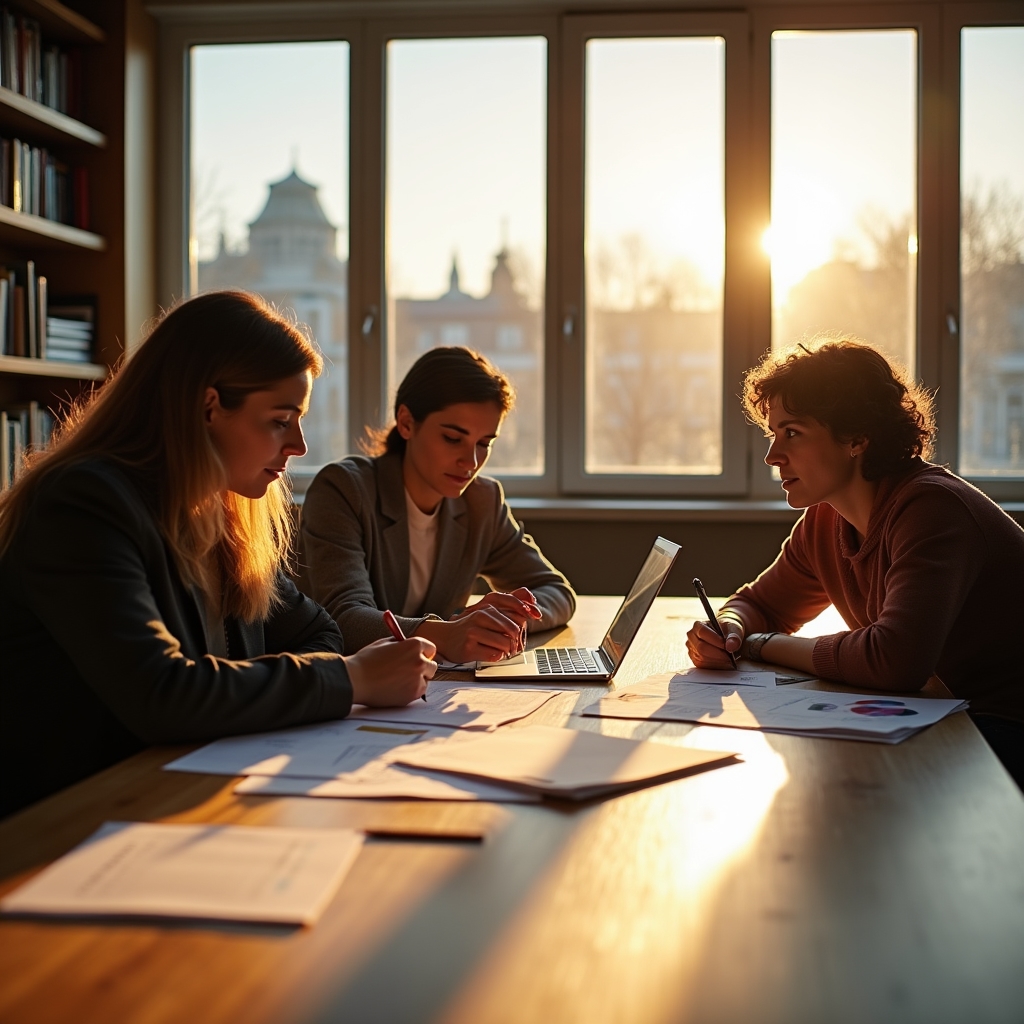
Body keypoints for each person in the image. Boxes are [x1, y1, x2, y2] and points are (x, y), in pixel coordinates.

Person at [0, 291, 435, 819]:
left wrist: (229, 693)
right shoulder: (81, 506)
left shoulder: (219, 510)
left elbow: (318, 632)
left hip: (181, 790)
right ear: (208, 408)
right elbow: (163, 694)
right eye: (280, 420)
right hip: (70, 817)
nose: (298, 445)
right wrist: (354, 678)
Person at [686, 338, 1024, 787]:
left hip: (1004, 723)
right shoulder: (825, 519)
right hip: (943, 711)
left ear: (857, 438)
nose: (772, 456)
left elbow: (894, 660)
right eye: (772, 435)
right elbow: (760, 604)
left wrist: (758, 644)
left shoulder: (932, 509)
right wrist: (727, 627)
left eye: (792, 433)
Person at [299, 346, 576, 664]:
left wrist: (502, 619)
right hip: (333, 682)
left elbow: (556, 591)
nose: (471, 462)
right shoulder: (343, 490)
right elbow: (344, 619)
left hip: (430, 683)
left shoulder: (482, 502)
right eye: (453, 438)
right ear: (406, 423)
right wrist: (448, 633)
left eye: (484, 443)